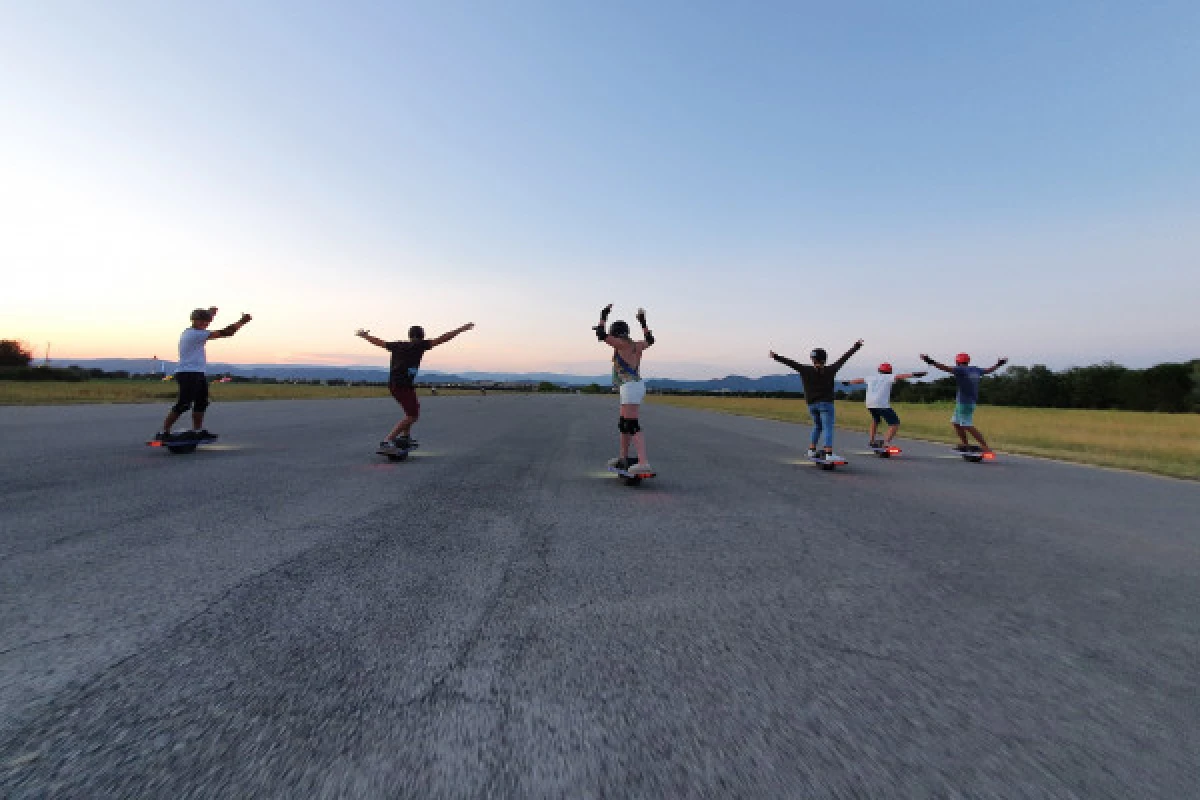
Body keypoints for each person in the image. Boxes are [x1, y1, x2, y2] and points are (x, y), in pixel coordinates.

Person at [356, 322, 474, 450]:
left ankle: (406, 437)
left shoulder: (397, 345)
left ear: (409, 335)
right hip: (402, 385)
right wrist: (461, 329)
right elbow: (443, 338)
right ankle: (387, 440)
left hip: (396, 384)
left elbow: (379, 342)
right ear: (422, 336)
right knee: (412, 416)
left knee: (412, 410)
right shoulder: (419, 345)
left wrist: (365, 336)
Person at [156, 307, 252, 442]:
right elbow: (227, 332)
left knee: (201, 402)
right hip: (188, 373)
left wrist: (210, 314)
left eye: (206, 322)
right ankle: (163, 432)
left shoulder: (194, 330)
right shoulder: (194, 334)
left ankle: (198, 431)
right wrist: (242, 321)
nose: (204, 324)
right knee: (184, 404)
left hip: (197, 373)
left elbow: (205, 321)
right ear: (193, 321)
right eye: (201, 321)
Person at [768, 340, 863, 462]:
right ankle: (828, 453)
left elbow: (790, 363)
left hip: (811, 404)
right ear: (825, 359)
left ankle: (811, 450)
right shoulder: (831, 369)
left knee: (817, 426)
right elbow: (844, 358)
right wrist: (856, 346)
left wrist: (775, 356)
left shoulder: (804, 369)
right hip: (826, 404)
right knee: (827, 427)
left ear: (812, 359)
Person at [594, 304, 655, 475]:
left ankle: (643, 462)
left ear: (615, 333)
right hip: (631, 387)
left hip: (630, 387)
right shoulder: (636, 345)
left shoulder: (621, 344)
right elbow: (650, 340)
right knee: (624, 424)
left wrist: (603, 316)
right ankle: (623, 457)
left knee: (631, 424)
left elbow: (601, 335)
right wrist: (643, 323)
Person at [919, 352, 1008, 454]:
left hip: (965, 403)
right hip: (965, 401)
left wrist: (929, 360)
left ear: (957, 361)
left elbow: (944, 368)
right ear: (968, 361)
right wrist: (999, 364)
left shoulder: (960, 369)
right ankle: (965, 444)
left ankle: (985, 447)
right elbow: (989, 370)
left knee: (966, 425)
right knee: (956, 423)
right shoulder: (975, 369)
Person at [842, 363, 927, 448]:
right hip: (881, 404)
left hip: (869, 403)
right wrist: (916, 374)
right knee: (895, 423)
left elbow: (859, 380)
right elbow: (901, 376)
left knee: (876, 420)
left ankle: (871, 441)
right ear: (889, 371)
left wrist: (848, 382)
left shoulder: (871, 377)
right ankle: (885, 443)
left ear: (879, 370)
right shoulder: (889, 377)